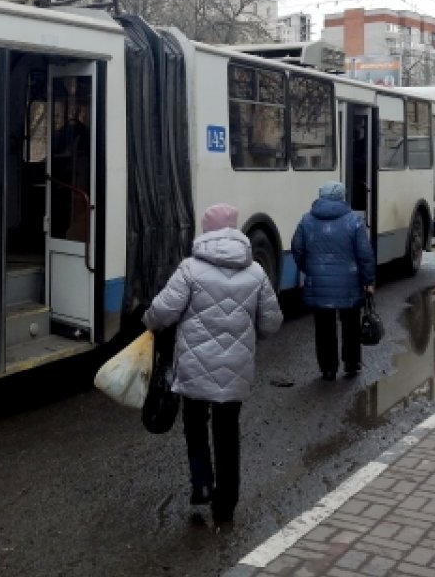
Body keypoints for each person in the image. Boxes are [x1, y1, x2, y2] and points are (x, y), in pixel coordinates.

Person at [143, 203, 283, 524]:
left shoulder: (190, 269)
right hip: (236, 372)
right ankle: (226, 504)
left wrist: (148, 323)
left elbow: (162, 312)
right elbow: (272, 323)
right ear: (235, 229)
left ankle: (203, 483)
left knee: (194, 423)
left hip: (195, 368)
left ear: (207, 231)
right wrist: (252, 334)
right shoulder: (256, 272)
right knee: (227, 431)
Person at [290, 180, 376, 381]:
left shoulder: (307, 220)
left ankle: (328, 369)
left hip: (318, 281)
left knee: (323, 327)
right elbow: (365, 254)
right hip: (350, 284)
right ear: (342, 197)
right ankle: (351, 363)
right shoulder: (353, 221)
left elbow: (297, 248)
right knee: (351, 324)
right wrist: (368, 280)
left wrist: (309, 268)